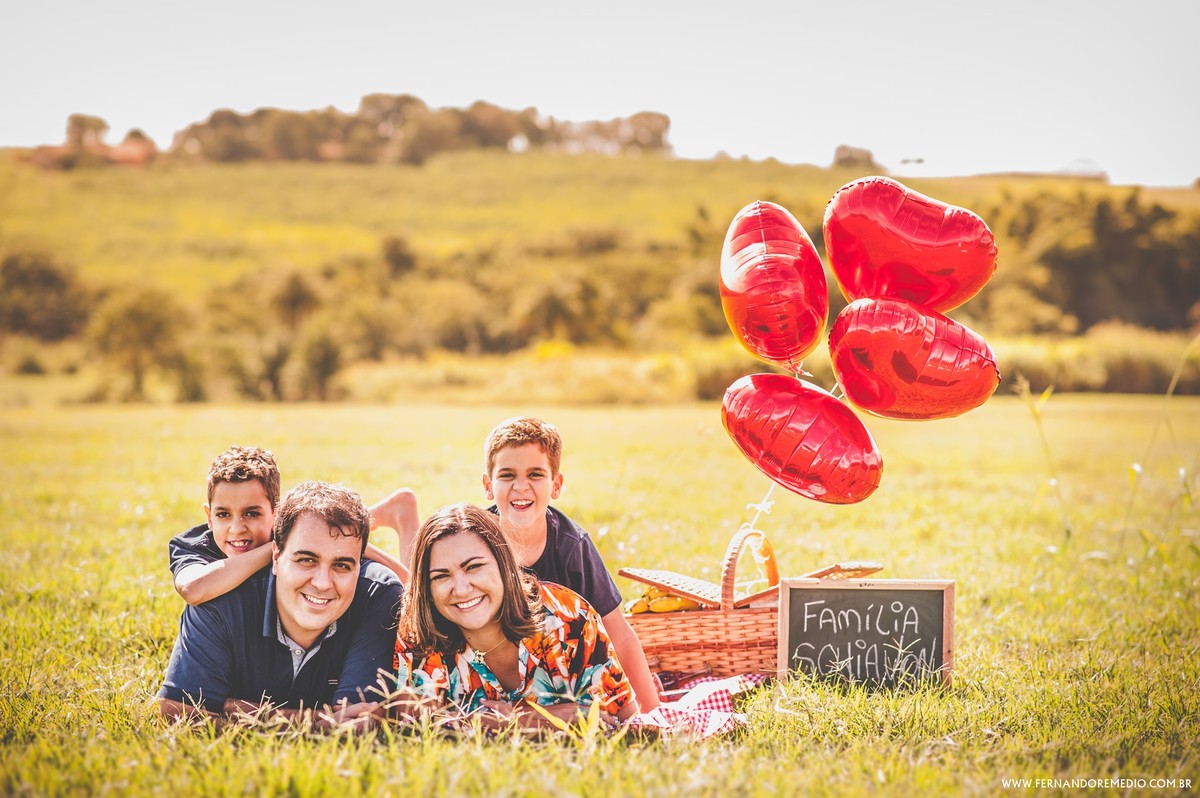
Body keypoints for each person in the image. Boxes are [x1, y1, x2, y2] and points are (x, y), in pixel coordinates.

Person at [157, 481, 402, 727]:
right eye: (306, 560)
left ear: (359, 565)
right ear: (275, 556)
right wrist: (315, 721)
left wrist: (228, 707)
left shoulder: (378, 596)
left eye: (341, 565)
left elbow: (353, 720)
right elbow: (179, 711)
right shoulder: (219, 597)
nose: (322, 583)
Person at [392, 503, 638, 731]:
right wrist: (544, 719)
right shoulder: (419, 635)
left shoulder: (568, 618)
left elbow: (624, 723)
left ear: (504, 564)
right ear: (427, 587)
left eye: (474, 567)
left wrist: (518, 720)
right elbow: (416, 730)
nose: (461, 589)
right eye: (441, 576)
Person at [481, 417, 661, 710]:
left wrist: (652, 712)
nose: (521, 486)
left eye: (535, 474)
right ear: (489, 486)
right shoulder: (475, 540)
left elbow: (618, 632)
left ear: (556, 485)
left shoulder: (571, 545)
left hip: (559, 679)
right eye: (507, 475)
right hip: (493, 674)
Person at [169, 445, 419, 605]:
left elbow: (407, 584)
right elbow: (193, 589)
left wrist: (348, 541)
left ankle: (399, 514)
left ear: (275, 515)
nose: (237, 528)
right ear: (209, 516)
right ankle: (378, 512)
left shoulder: (296, 542)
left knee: (413, 602)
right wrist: (283, 546)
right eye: (223, 515)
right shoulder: (193, 545)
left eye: (252, 514)